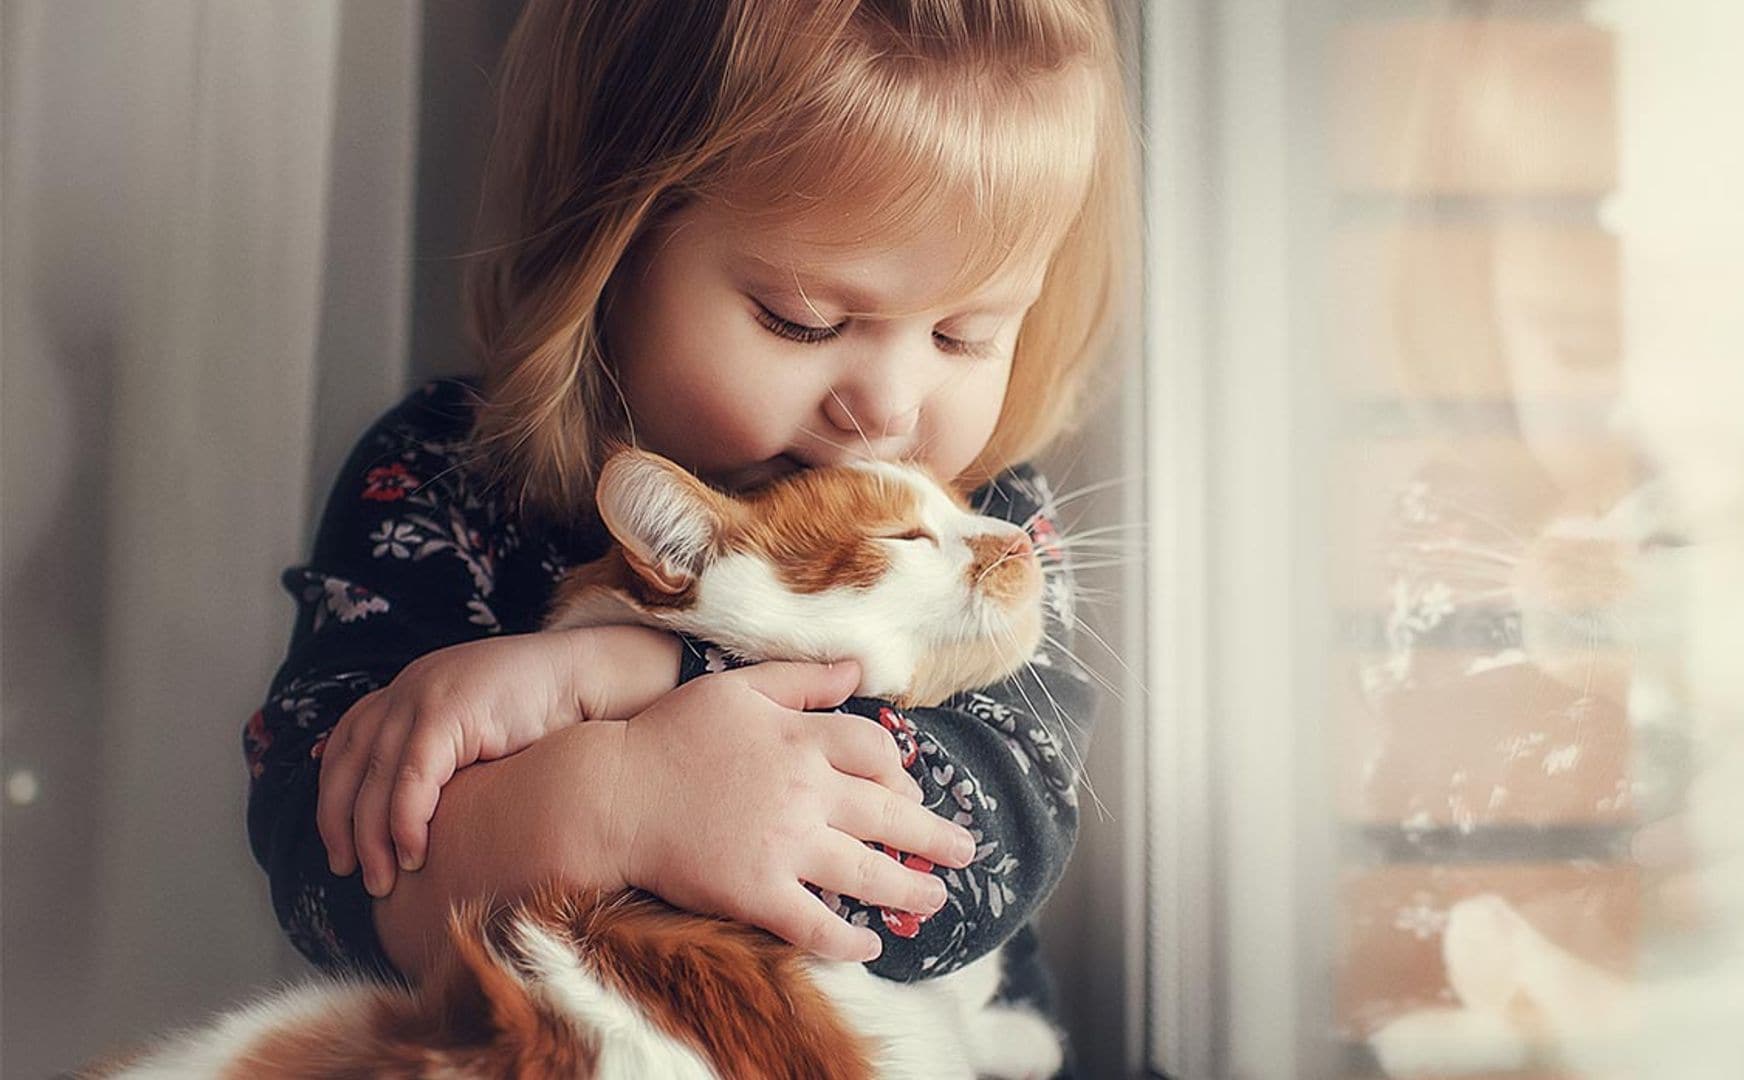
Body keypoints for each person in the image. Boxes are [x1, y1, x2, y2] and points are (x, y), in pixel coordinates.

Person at [243, 0, 1135, 1068]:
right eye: (803, 321)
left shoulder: (984, 518)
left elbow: (996, 838)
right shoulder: (448, 476)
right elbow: (321, 849)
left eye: (965, 333)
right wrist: (606, 804)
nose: (889, 408)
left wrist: (634, 668)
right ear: (611, 246)